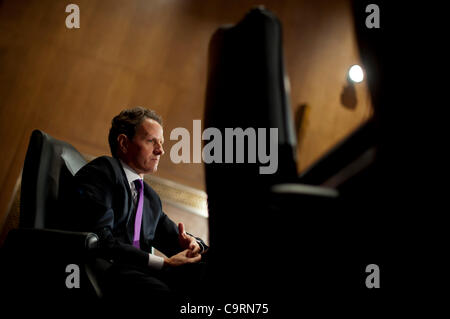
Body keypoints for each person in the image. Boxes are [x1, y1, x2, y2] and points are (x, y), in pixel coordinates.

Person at [71, 107, 208, 311]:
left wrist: (194, 245)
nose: (160, 150)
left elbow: (174, 237)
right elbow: (102, 241)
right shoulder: (103, 172)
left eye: (161, 143)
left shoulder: (151, 198)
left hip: (139, 273)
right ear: (124, 143)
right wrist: (164, 265)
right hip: (107, 270)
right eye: (151, 141)